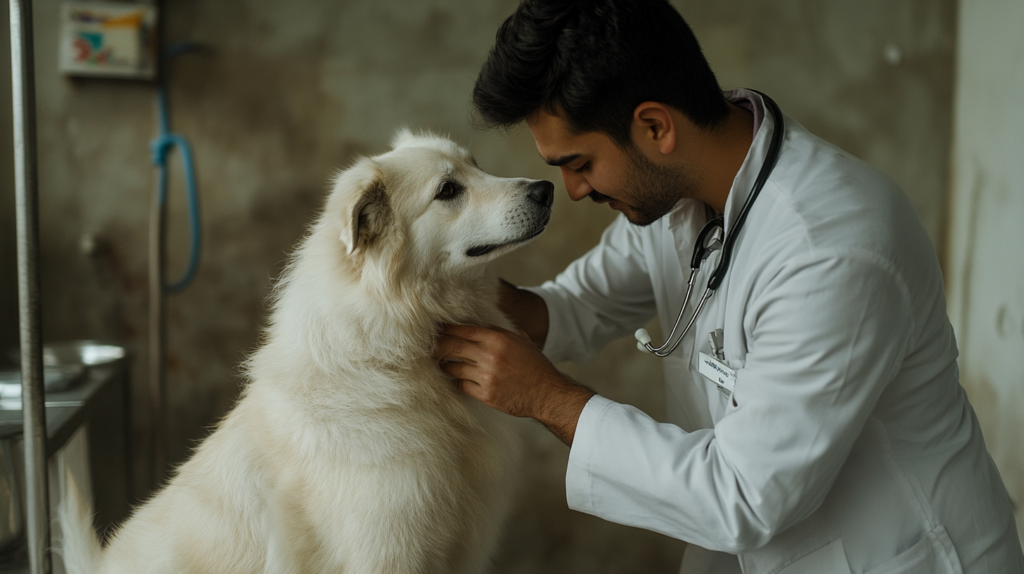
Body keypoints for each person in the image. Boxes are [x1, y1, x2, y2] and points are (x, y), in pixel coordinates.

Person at [432, 1, 1024, 572]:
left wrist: (546, 398)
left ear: (656, 127)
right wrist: (437, 275)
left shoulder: (833, 249)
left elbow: (745, 493)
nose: (574, 189)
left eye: (580, 163)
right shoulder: (671, 200)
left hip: (899, 557)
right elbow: (570, 309)